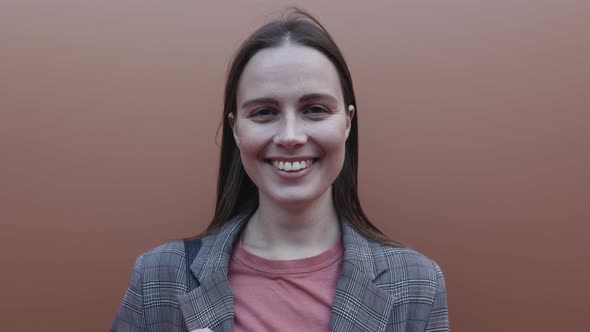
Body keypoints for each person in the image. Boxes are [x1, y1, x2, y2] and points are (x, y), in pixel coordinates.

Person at [111, 8, 449, 332]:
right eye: (264, 112)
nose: (290, 136)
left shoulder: (418, 284)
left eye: (315, 109)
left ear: (347, 123)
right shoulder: (159, 276)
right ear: (236, 128)